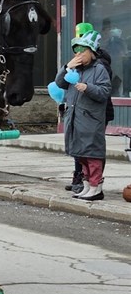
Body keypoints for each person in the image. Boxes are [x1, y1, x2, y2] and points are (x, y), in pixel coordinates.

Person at [55, 30, 111, 201]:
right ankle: (87, 185)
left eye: (83, 51)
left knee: (92, 155)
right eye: (77, 51)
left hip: (90, 120)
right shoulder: (75, 69)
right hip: (75, 118)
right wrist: (66, 67)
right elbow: (59, 83)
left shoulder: (99, 69)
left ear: (91, 52)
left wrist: (87, 88)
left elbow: (105, 91)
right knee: (81, 155)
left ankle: (96, 187)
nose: (79, 54)